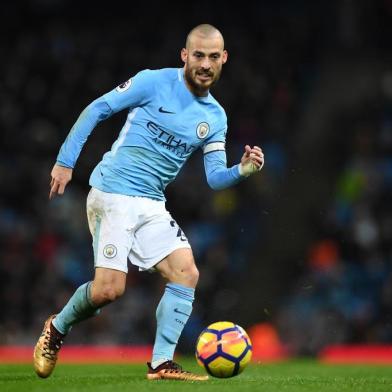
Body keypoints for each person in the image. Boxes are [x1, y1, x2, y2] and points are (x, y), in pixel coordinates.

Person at [33, 23, 264, 381]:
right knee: (109, 291)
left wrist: (243, 170)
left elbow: (215, 177)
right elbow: (98, 108)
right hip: (113, 193)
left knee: (186, 272)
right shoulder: (153, 82)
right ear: (185, 56)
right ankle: (57, 327)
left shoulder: (215, 117)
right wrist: (65, 162)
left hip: (151, 202)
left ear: (224, 59)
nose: (205, 63)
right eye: (198, 55)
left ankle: (161, 362)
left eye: (213, 57)